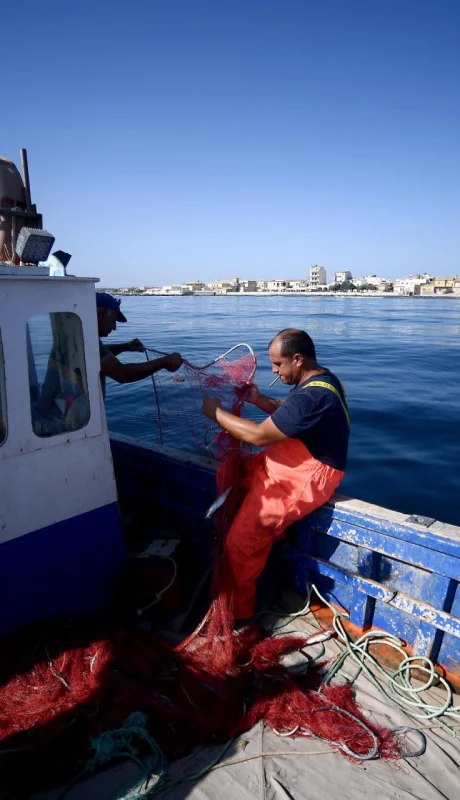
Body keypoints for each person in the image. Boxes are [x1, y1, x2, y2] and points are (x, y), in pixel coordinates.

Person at [202, 328, 349, 621]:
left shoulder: (313, 396)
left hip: (307, 476)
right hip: (289, 461)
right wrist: (258, 399)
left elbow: (257, 435)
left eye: (278, 365)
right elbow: (289, 411)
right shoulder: (320, 379)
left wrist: (215, 413)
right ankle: (274, 543)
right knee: (236, 478)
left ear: (298, 359)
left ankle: (239, 617)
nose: (274, 370)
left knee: (239, 544)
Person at [96, 292, 182, 396]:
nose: (114, 327)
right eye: (113, 320)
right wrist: (164, 362)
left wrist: (126, 347)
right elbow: (122, 373)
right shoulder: (88, 341)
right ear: (100, 314)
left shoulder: (84, 337)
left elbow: (101, 353)